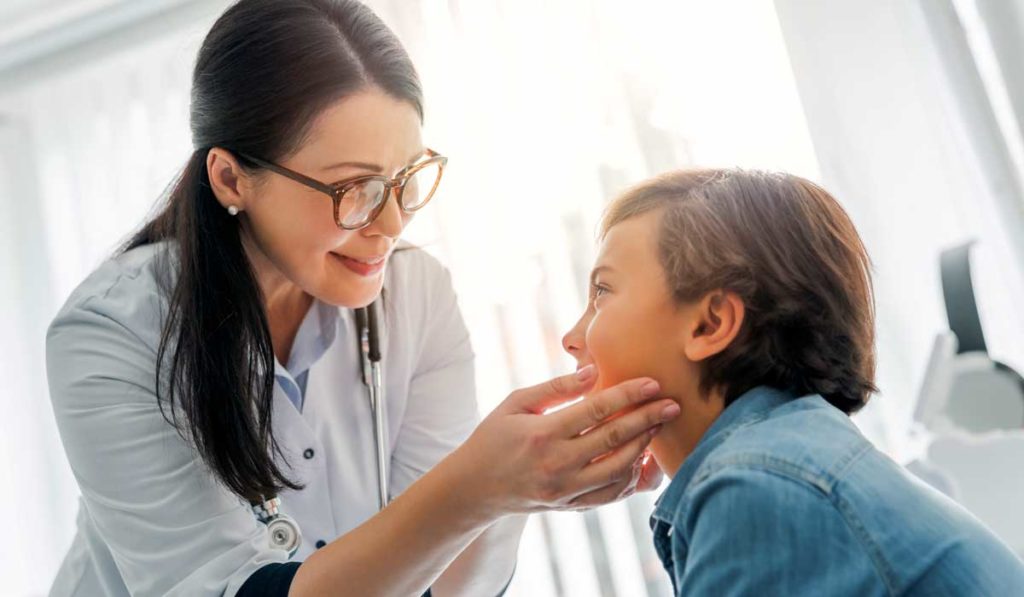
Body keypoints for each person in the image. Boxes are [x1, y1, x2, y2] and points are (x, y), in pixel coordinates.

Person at [44, 1, 682, 595]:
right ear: (232, 178)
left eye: (406, 179)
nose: (393, 222)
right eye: (353, 188)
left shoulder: (417, 296)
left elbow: (441, 584)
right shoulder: (109, 333)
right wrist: (476, 488)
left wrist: (509, 494)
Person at [561, 168, 1024, 595]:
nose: (570, 339)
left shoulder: (757, 484)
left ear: (710, 324)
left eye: (602, 291)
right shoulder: (784, 454)